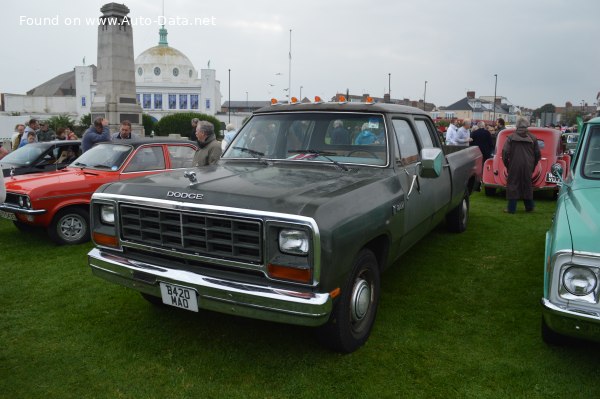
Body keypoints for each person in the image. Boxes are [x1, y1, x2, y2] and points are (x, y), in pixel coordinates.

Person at [501, 117, 541, 214]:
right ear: (527, 125)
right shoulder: (533, 137)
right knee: (527, 185)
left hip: (514, 164)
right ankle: (529, 207)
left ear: (517, 125)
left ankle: (511, 208)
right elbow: (538, 154)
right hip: (528, 165)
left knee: (513, 185)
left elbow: (505, 153)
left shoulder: (511, 137)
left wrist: (507, 165)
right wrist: (533, 165)